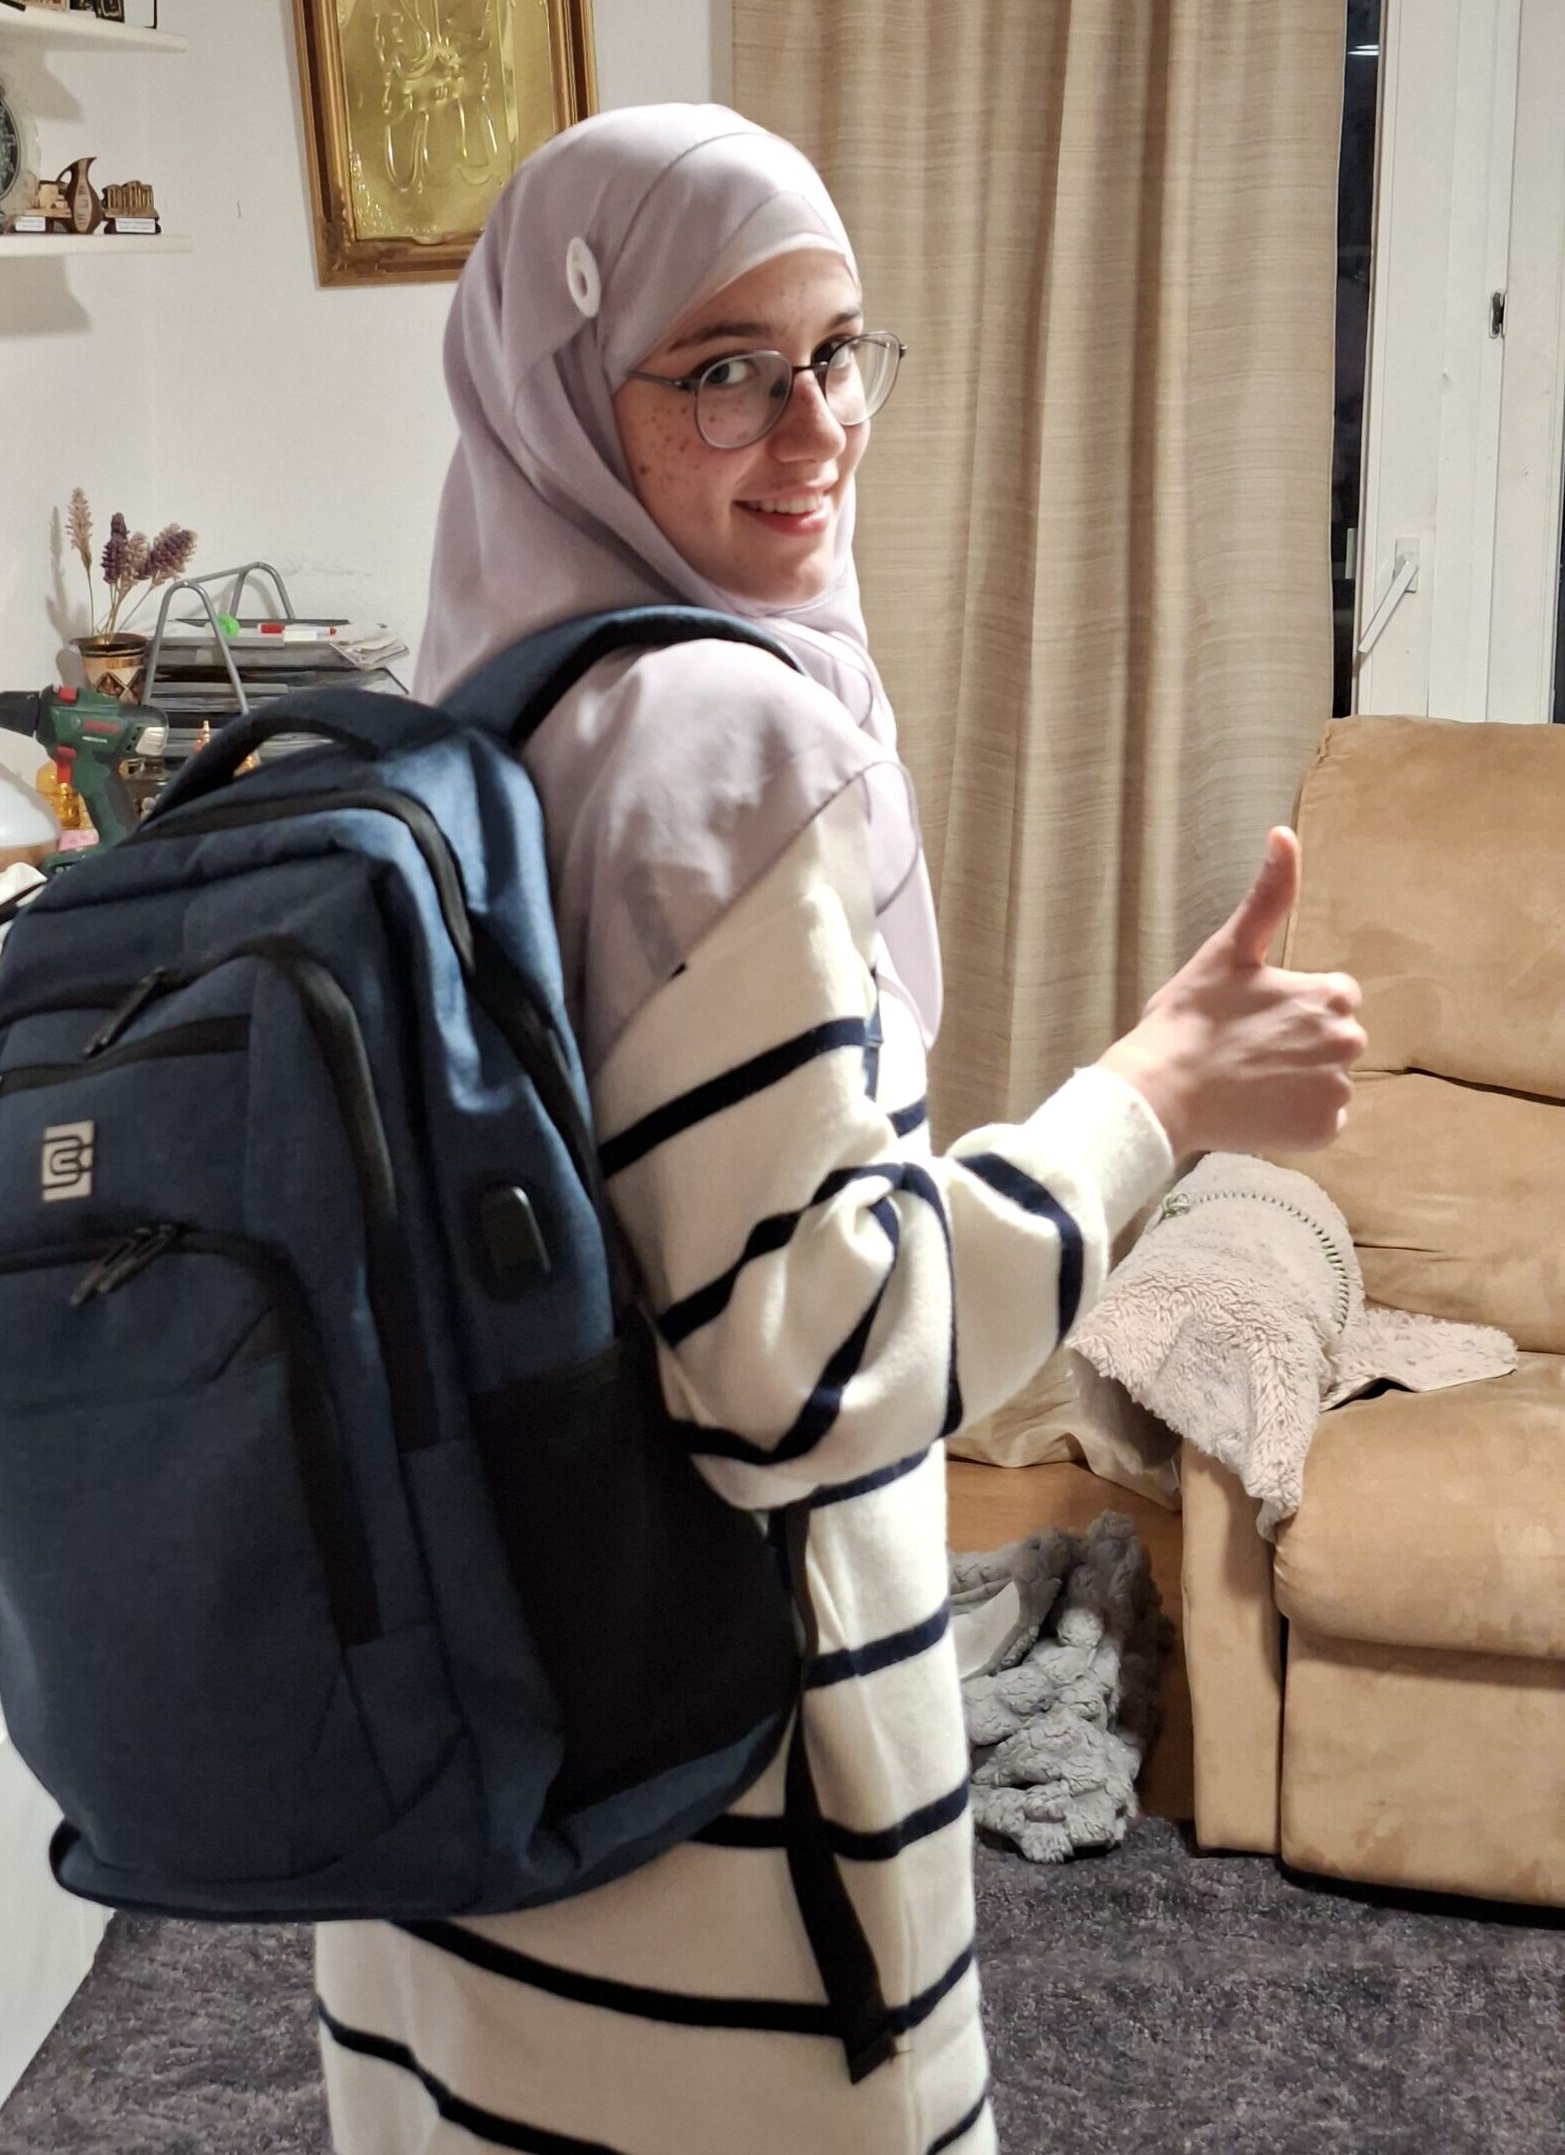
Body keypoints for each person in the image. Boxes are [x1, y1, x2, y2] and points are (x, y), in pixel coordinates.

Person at [313, 105, 1364, 2155]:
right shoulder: (722, 741)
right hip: (717, 1863)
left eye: (836, 353)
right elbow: (810, 1373)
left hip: (460, 1790)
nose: (814, 430)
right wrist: (1154, 1095)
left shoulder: (475, 713)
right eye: (725, 371)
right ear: (569, 395)